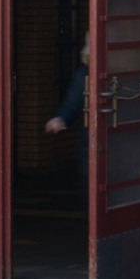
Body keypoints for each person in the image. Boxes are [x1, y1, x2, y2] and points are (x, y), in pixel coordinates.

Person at [45, 33, 89, 184]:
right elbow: (73, 103)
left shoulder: (123, 70)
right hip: (91, 144)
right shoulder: (82, 75)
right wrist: (62, 118)